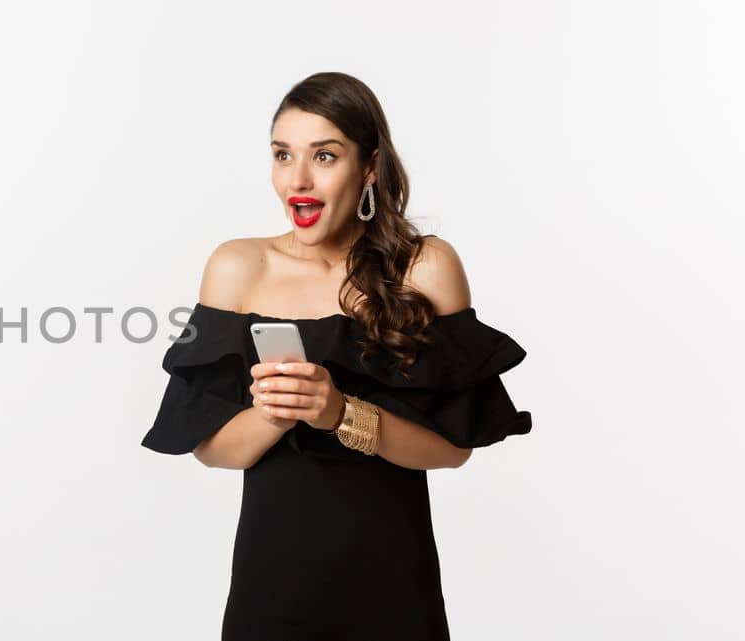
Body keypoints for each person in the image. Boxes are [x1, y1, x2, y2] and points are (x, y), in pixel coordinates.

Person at [141, 72, 534, 640]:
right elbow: (211, 451)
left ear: (369, 167)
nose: (297, 178)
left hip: (394, 587)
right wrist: (276, 411)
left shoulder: (424, 267)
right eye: (283, 155)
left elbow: (453, 451)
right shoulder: (237, 267)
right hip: (271, 585)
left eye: (324, 155)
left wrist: (340, 412)